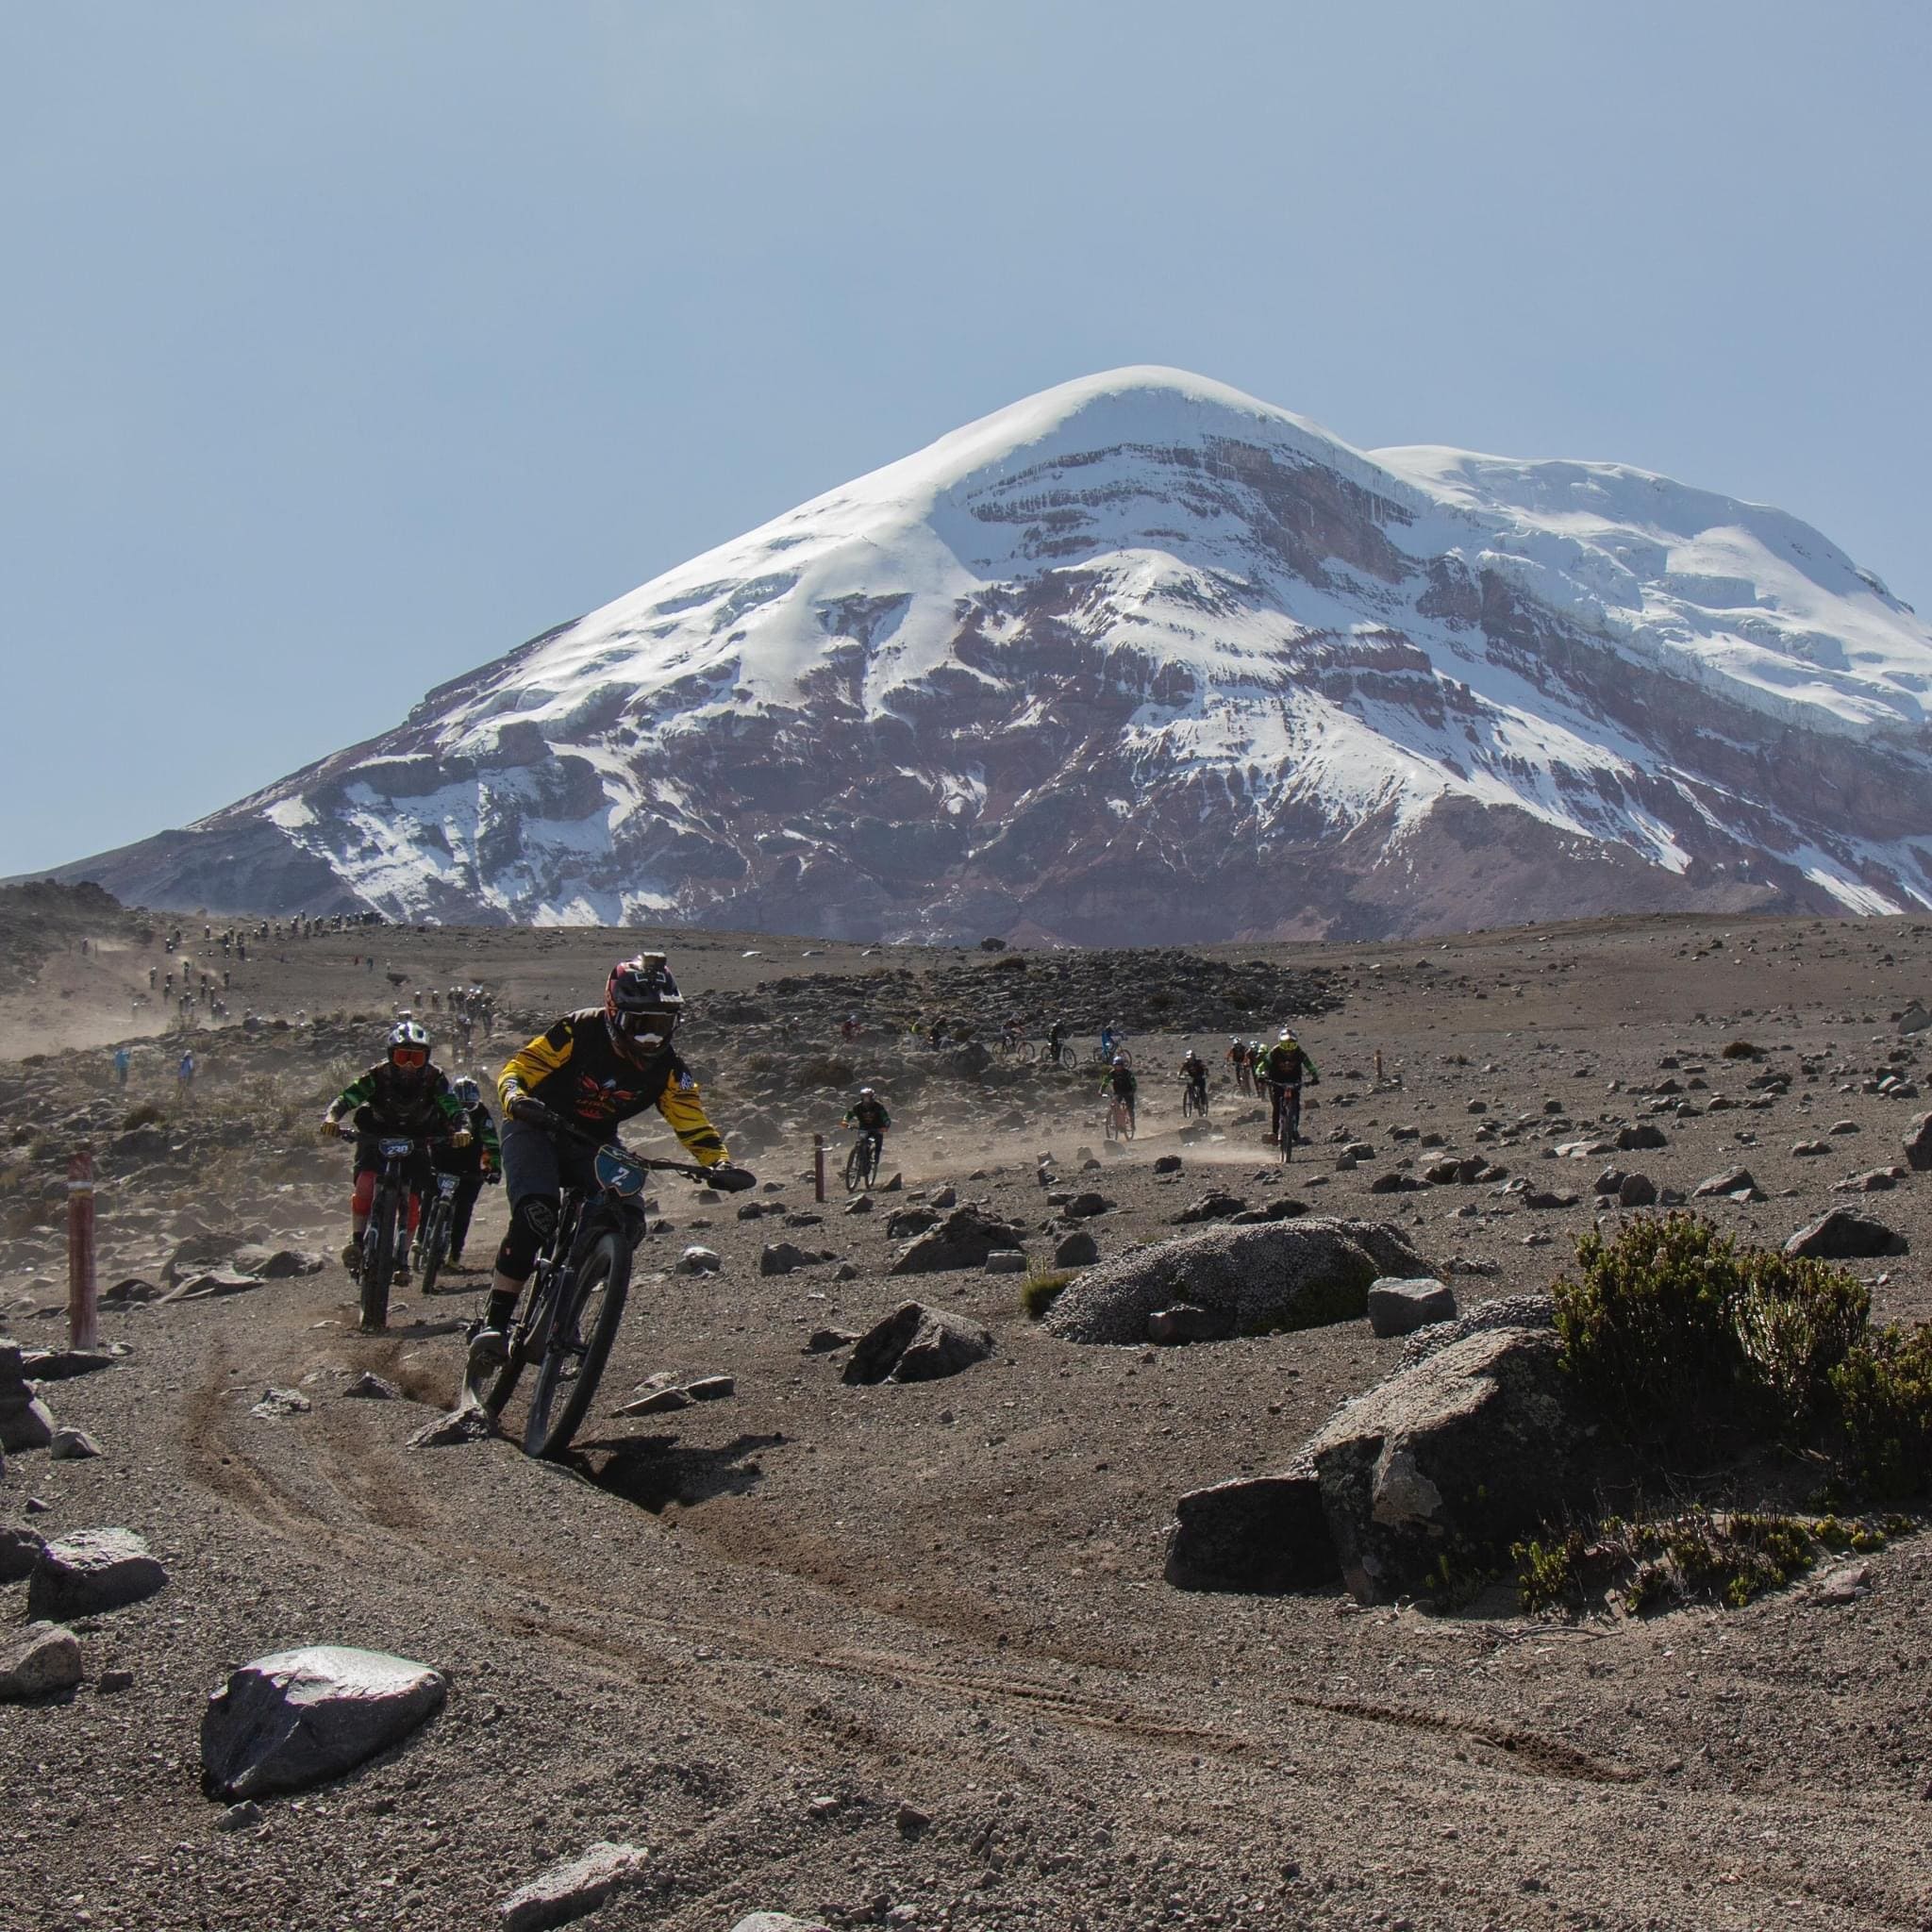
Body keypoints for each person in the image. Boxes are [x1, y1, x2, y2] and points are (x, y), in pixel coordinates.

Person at [467, 954, 753, 1380]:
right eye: (642, 1025)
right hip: (535, 1126)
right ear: (615, 1013)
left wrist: (719, 1163)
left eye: (663, 1025)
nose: (653, 1038)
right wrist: (516, 1099)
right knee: (535, 1214)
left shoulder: (671, 1070)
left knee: (629, 1218)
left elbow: (691, 1121)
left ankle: (569, 1302)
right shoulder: (578, 1029)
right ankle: (495, 1320)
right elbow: (519, 1068)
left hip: (594, 1141)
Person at [318, 1020, 469, 1285]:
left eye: (416, 1057)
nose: (409, 1065)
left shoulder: (435, 1078)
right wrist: (331, 1118)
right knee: (365, 1183)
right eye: (402, 1057)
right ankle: (357, 1243)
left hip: (418, 1139)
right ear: (391, 1056)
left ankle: (402, 1261)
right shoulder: (377, 1075)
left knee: (412, 1201)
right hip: (376, 1136)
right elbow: (346, 1099)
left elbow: (454, 1108)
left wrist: (462, 1129)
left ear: (427, 1058)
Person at [431, 1076, 500, 1268]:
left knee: (464, 1211)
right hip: (441, 1164)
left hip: (469, 1170)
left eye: (470, 1104)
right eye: (462, 1104)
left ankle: (454, 1255)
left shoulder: (482, 1114)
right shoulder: (441, 1109)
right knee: (428, 1195)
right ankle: (421, 1239)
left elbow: (491, 1143)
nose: (467, 1109)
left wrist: (493, 1168)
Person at [1257, 1027, 1321, 1157]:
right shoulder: (1274, 1052)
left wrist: (1315, 1075)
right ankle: (1275, 1132)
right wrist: (1260, 1074)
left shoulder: (1299, 1052)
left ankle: (1294, 1128)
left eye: (1291, 1045)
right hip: (1277, 1080)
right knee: (1276, 1106)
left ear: (1296, 1044)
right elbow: (1262, 1066)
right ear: (1280, 1043)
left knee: (1296, 1105)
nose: (1288, 1049)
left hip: (1294, 1080)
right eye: (1285, 1045)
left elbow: (1310, 1065)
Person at [842, 1086, 891, 1174]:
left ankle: (876, 1159)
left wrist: (886, 1126)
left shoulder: (878, 1106)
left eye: (868, 1097)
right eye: (864, 1097)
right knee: (861, 1142)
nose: (866, 1100)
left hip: (877, 1128)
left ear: (872, 1097)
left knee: (878, 1143)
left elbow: (885, 1117)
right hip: (864, 1128)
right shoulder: (858, 1106)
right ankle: (860, 1160)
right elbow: (849, 1114)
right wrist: (845, 1121)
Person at [1102, 1053, 1137, 1135]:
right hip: (1118, 1092)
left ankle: (1132, 1124)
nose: (1118, 1067)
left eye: (1119, 1065)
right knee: (1115, 1107)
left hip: (1128, 1092)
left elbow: (1134, 1083)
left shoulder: (1128, 1073)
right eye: (1116, 1065)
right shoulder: (1112, 1073)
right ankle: (1118, 1123)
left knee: (1130, 1109)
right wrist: (1101, 1091)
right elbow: (1105, 1082)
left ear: (1122, 1065)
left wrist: (1132, 1091)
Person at [1181, 1046, 1208, 1114]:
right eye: (1189, 1059)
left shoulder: (1199, 1063)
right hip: (1192, 1078)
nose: (1191, 1061)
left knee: (1201, 1090)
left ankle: (1202, 1103)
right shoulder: (1186, 1064)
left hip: (1200, 1078)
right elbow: (1181, 1070)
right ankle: (1192, 1099)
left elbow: (1205, 1068)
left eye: (1192, 1059)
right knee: (1189, 1087)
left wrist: (1206, 1074)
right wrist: (1180, 1076)